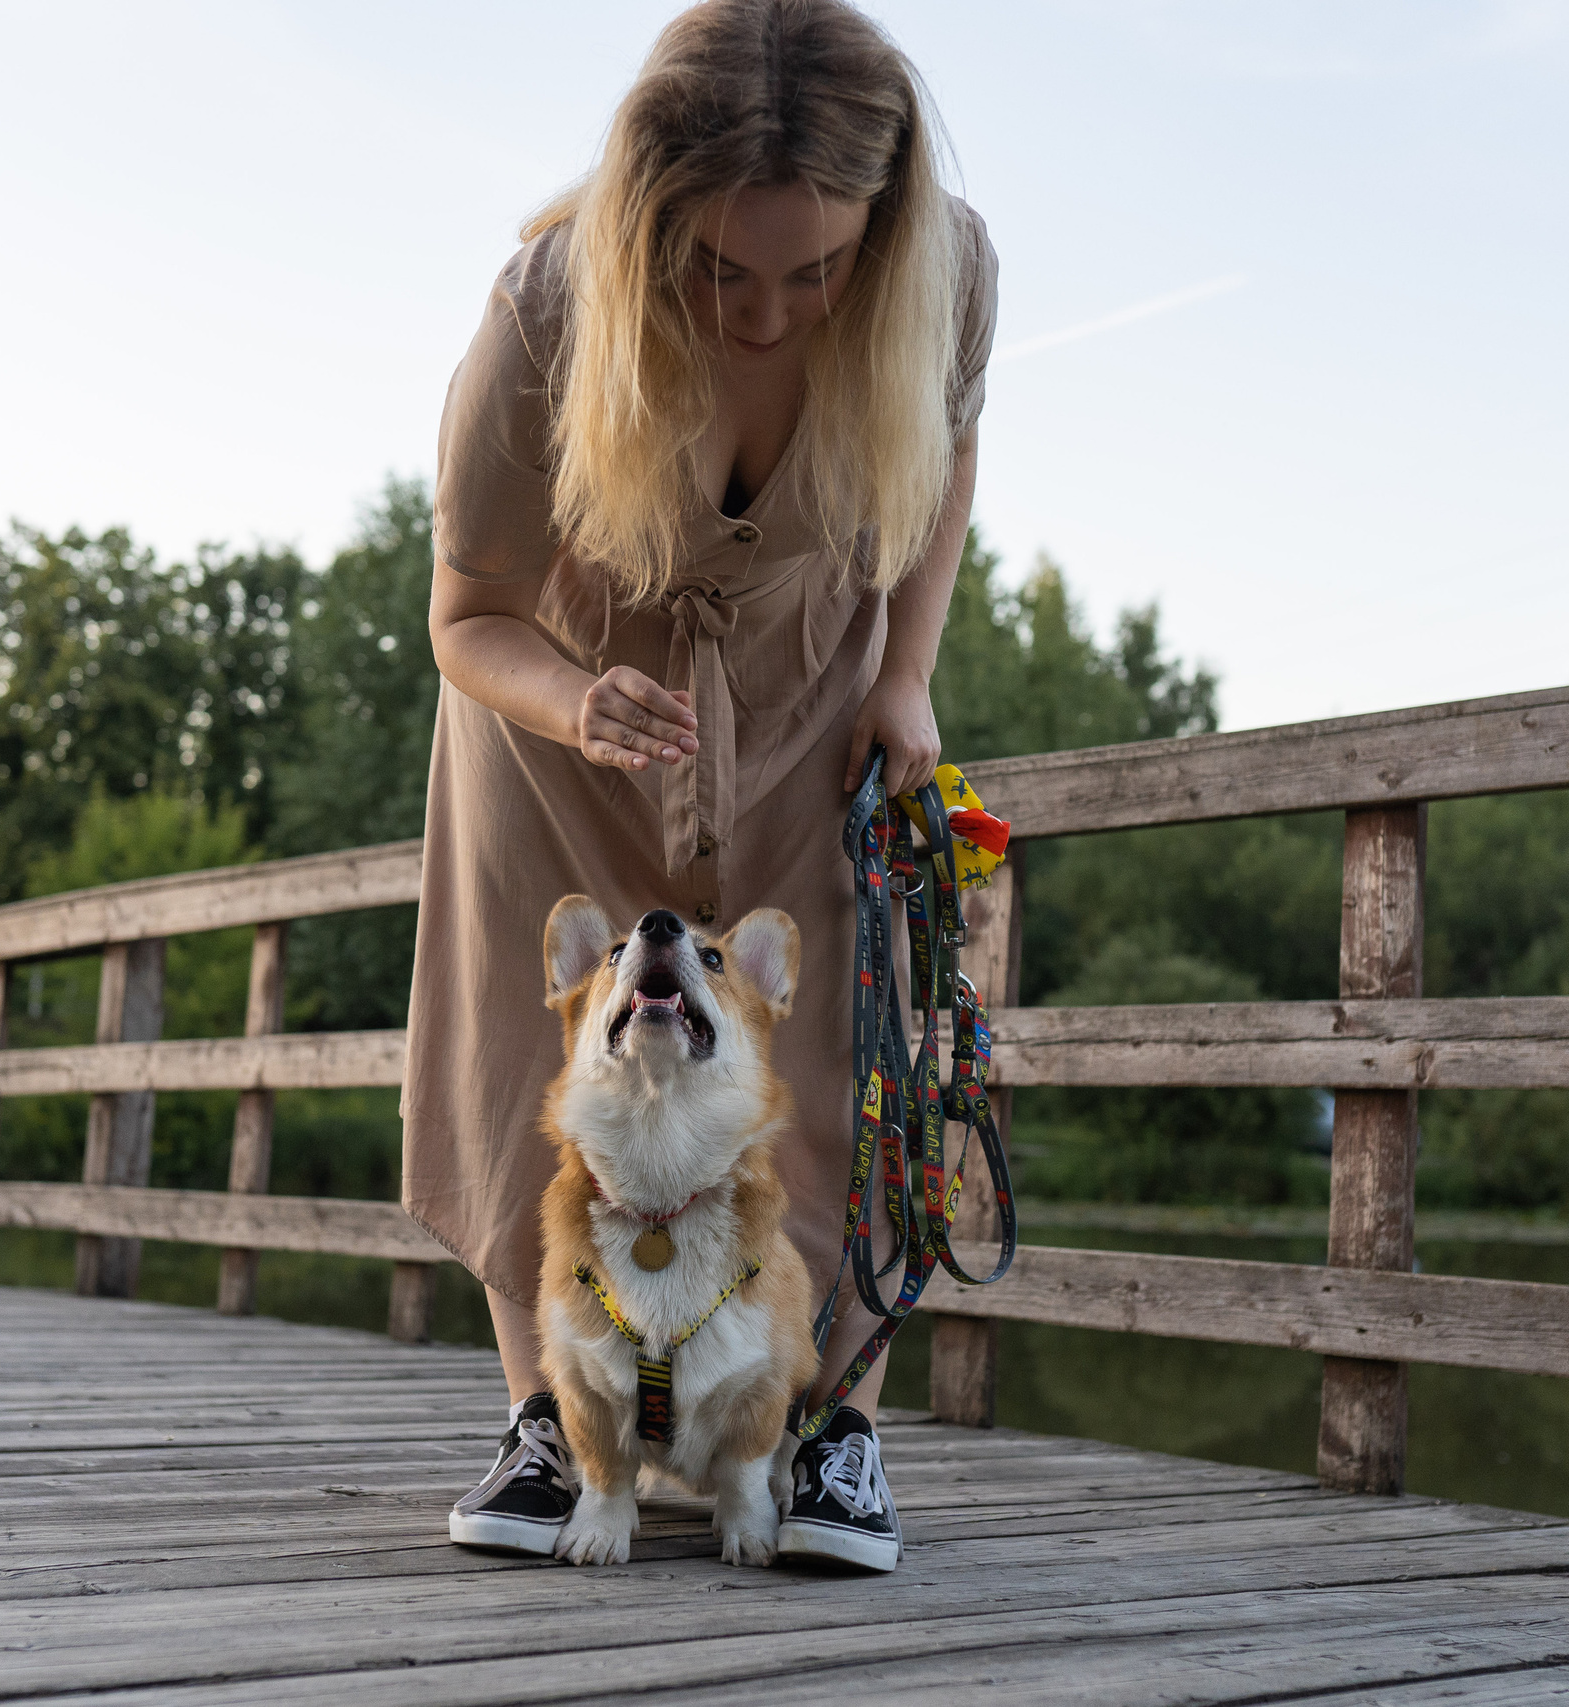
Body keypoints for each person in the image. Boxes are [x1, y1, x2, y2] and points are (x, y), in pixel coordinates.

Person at [405, 0, 995, 1573]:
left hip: (814, 693)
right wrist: (576, 704)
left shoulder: (951, 273)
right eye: (722, 270)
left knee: (853, 1030)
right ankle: (552, 1415)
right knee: (545, 1046)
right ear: (652, 220)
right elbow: (465, 616)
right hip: (567, 695)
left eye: (817, 274)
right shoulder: (544, 308)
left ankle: (838, 1429)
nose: (766, 313)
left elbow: (944, 468)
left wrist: (908, 672)